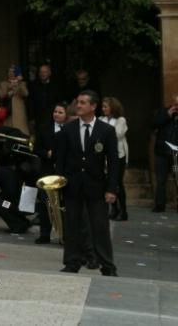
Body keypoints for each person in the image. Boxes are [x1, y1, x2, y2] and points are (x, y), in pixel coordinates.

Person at [56, 90, 118, 275]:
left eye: (83, 102)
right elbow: (61, 160)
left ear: (93, 106)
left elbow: (114, 162)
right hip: (73, 185)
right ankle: (72, 262)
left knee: (100, 226)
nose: (79, 106)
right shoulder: (68, 129)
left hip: (96, 186)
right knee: (72, 224)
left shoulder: (106, 130)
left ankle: (107, 265)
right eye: (78, 102)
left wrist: (111, 189)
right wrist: (59, 184)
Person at [33, 103, 68, 243]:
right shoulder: (44, 129)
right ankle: (44, 234)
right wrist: (46, 153)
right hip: (47, 171)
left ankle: (64, 235)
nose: (57, 114)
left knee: (63, 204)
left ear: (66, 115)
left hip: (63, 172)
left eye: (60, 112)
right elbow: (36, 148)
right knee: (44, 203)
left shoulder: (70, 129)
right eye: (55, 111)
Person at [99, 97, 128, 221]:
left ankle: (123, 211)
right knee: (108, 183)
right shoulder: (101, 119)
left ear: (113, 107)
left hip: (118, 155)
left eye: (106, 106)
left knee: (117, 183)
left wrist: (103, 135)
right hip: (103, 155)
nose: (103, 109)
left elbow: (117, 134)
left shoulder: (120, 120)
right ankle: (114, 209)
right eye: (103, 106)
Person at [152, 94, 178, 212]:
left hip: (176, 152)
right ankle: (159, 205)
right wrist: (168, 115)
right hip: (162, 151)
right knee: (161, 179)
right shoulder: (163, 112)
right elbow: (154, 124)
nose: (176, 106)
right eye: (175, 104)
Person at [28, 63, 61, 133]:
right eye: (41, 72)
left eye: (45, 72)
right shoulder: (33, 86)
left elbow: (59, 102)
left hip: (52, 118)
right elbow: (30, 103)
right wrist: (31, 118)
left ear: (50, 73)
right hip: (38, 119)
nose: (43, 74)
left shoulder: (55, 86)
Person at [0, 65, 29, 133]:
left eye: (13, 72)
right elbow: (0, 96)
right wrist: (10, 87)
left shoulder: (22, 83)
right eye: (9, 71)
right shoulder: (3, 84)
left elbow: (26, 94)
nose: (11, 73)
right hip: (8, 113)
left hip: (19, 113)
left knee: (21, 132)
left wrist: (20, 82)